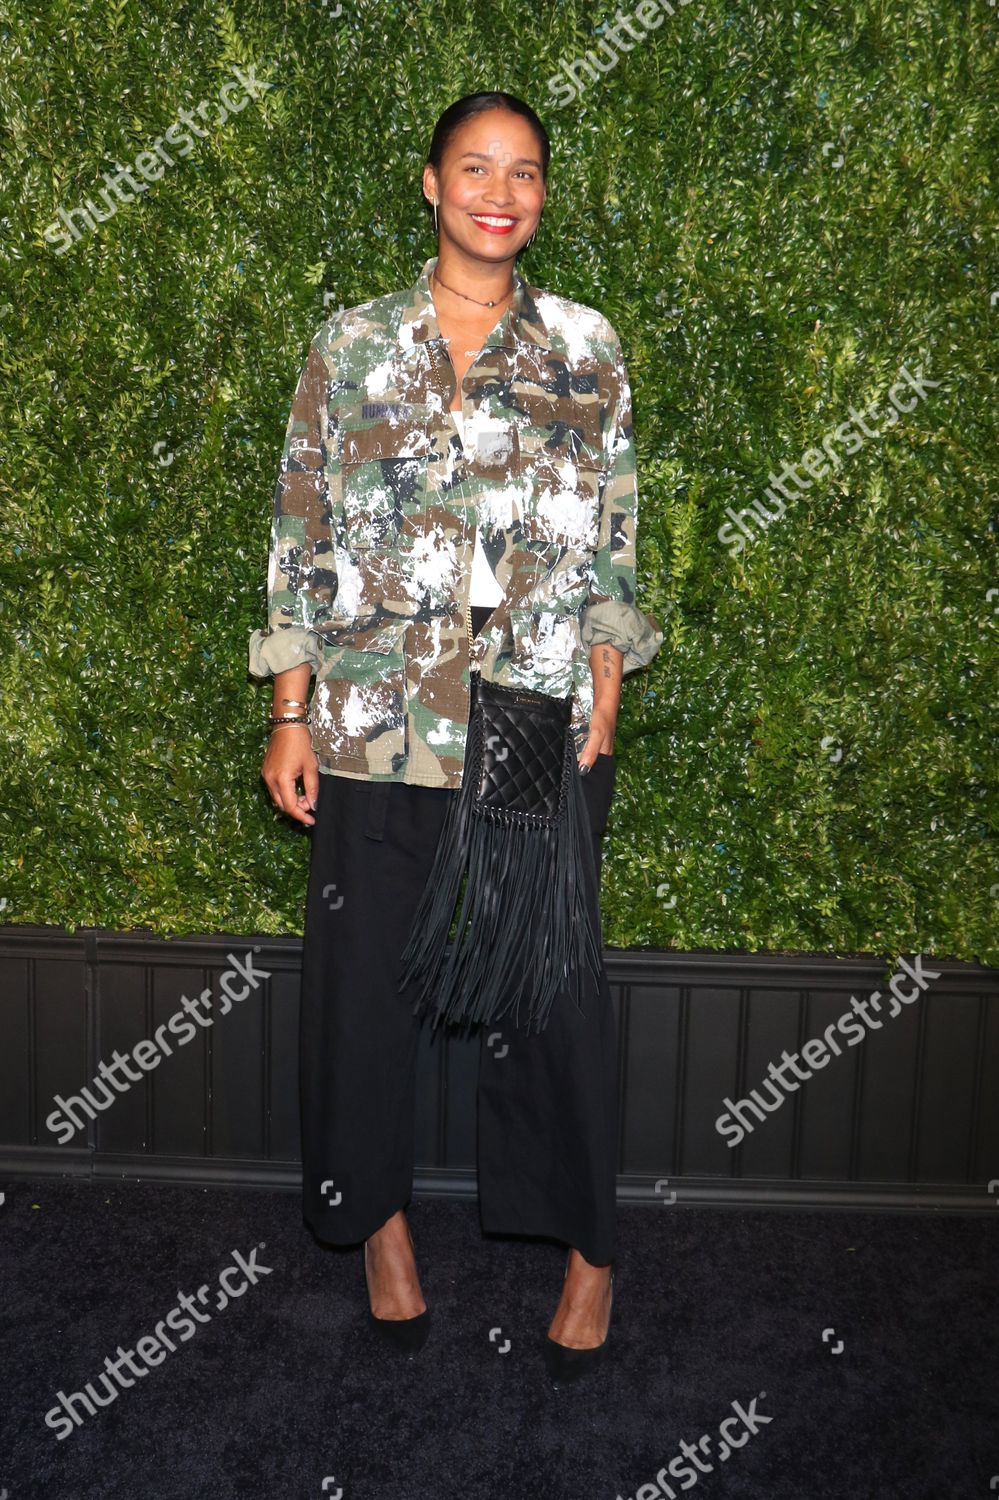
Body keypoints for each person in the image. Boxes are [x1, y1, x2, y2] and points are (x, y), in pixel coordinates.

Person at [248, 90, 664, 1384]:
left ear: (542, 196)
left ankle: (589, 1251)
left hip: (535, 712)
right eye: (475, 168)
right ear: (431, 184)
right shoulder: (352, 343)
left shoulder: (586, 346)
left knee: (554, 994)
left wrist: (606, 685)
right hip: (374, 718)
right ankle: (379, 1231)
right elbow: (300, 531)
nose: (500, 191)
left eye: (524, 172)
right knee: (362, 994)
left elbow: (614, 536)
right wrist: (288, 710)